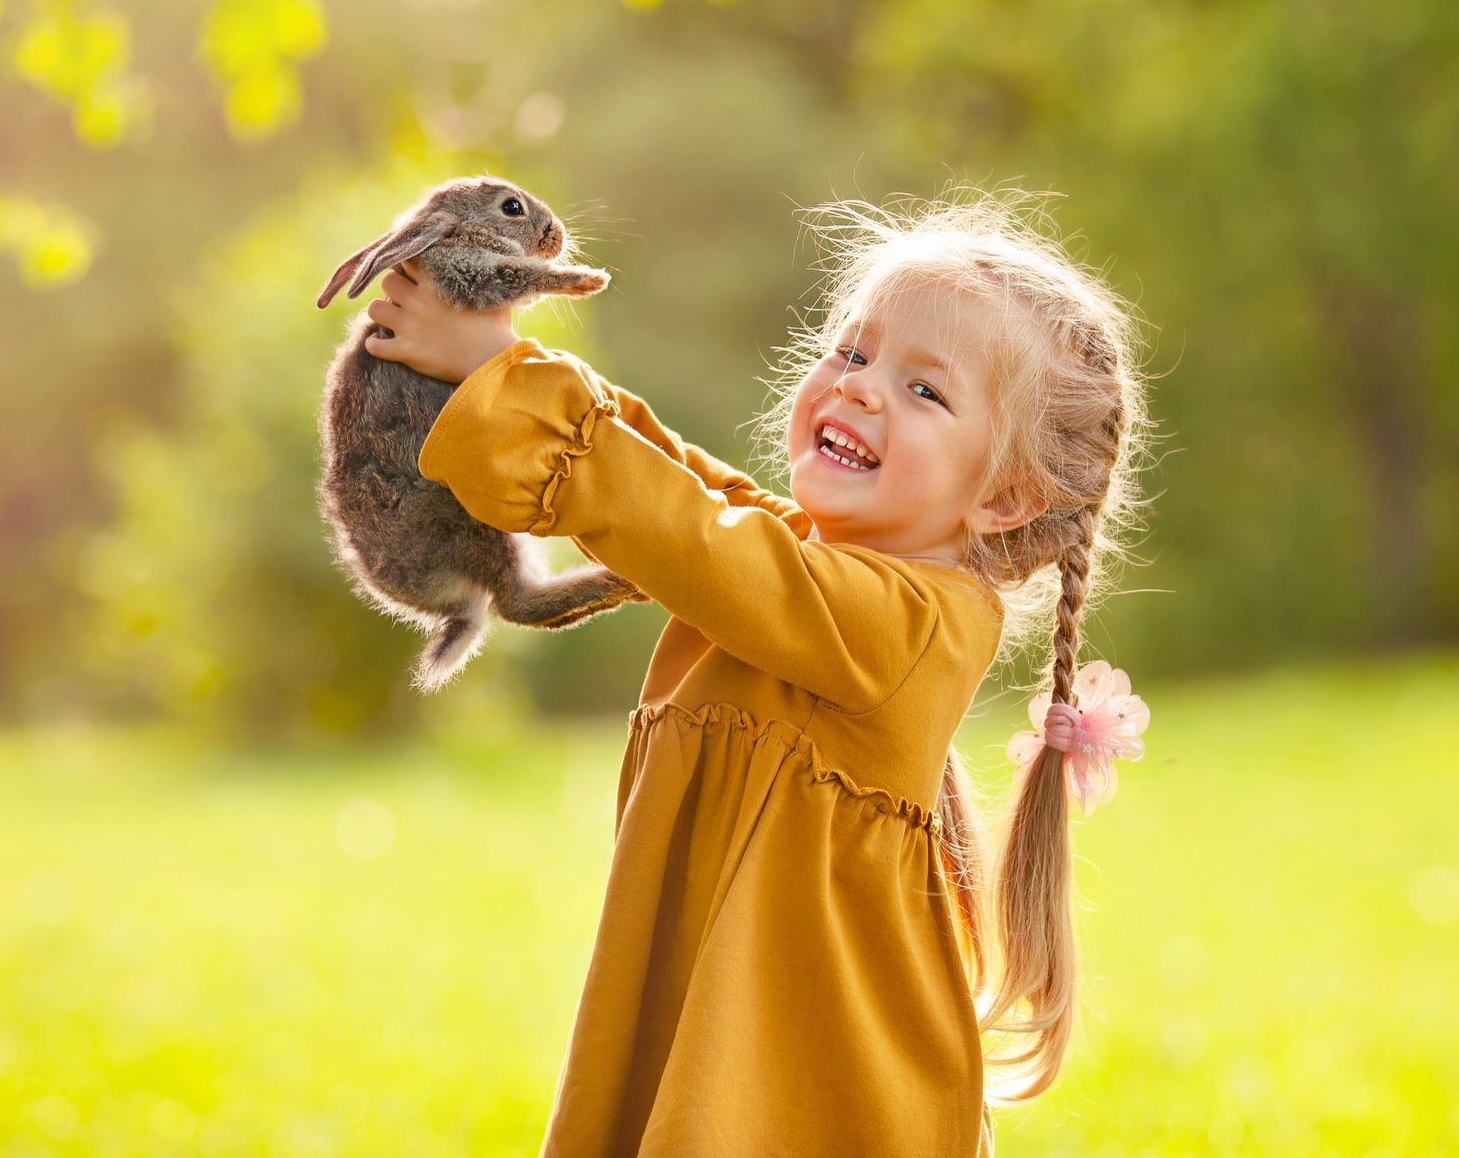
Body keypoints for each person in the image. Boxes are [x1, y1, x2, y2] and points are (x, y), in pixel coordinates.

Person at [361, 190, 1155, 1157]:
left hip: (805, 1089)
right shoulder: (801, 569)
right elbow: (690, 489)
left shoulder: (918, 624)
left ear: (1005, 497)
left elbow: (692, 532)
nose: (858, 388)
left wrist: (502, 376)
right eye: (854, 353)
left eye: (925, 390)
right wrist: (504, 362)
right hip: (712, 1043)